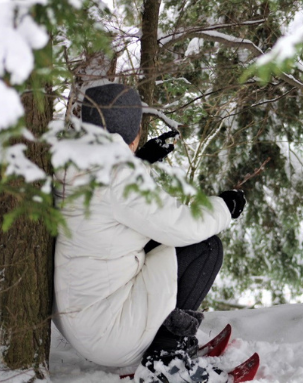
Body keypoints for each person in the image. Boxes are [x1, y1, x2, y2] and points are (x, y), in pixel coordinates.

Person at [53, 83, 245, 382]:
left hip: (81, 320)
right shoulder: (118, 177)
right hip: (109, 333)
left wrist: (139, 159)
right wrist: (224, 207)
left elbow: (108, 208)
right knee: (205, 248)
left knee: (158, 242)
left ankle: (163, 341)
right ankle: (166, 354)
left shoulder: (70, 165)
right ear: (133, 131)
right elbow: (182, 225)